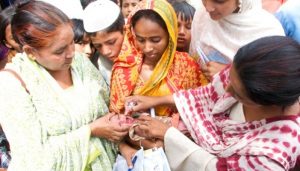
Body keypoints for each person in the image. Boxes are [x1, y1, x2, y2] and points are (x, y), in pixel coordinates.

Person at [124, 36, 300, 170]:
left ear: (265, 103)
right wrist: (153, 101)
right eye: (229, 76)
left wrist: (169, 135)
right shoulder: (244, 71)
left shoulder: (272, 154)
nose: (227, 90)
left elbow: (215, 167)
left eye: (237, 94)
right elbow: (206, 94)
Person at [0, 1, 130, 170]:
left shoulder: (80, 63)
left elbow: (107, 113)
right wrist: (91, 130)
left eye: (71, 43)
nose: (70, 54)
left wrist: (123, 143)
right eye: (59, 51)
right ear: (31, 52)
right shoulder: (12, 83)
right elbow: (34, 157)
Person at [109, 0, 208, 116]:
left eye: (155, 40)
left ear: (170, 34)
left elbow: (203, 102)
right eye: (140, 40)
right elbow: (116, 116)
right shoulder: (124, 69)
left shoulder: (186, 65)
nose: (147, 48)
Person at [189, 0, 284, 80]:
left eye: (219, 1)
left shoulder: (268, 32)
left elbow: (269, 83)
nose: (208, 7)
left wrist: (229, 75)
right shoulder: (203, 14)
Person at [83, 0, 126, 87]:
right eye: (98, 46)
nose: (105, 52)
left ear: (125, 31)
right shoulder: (101, 63)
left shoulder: (145, 50)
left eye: (111, 42)